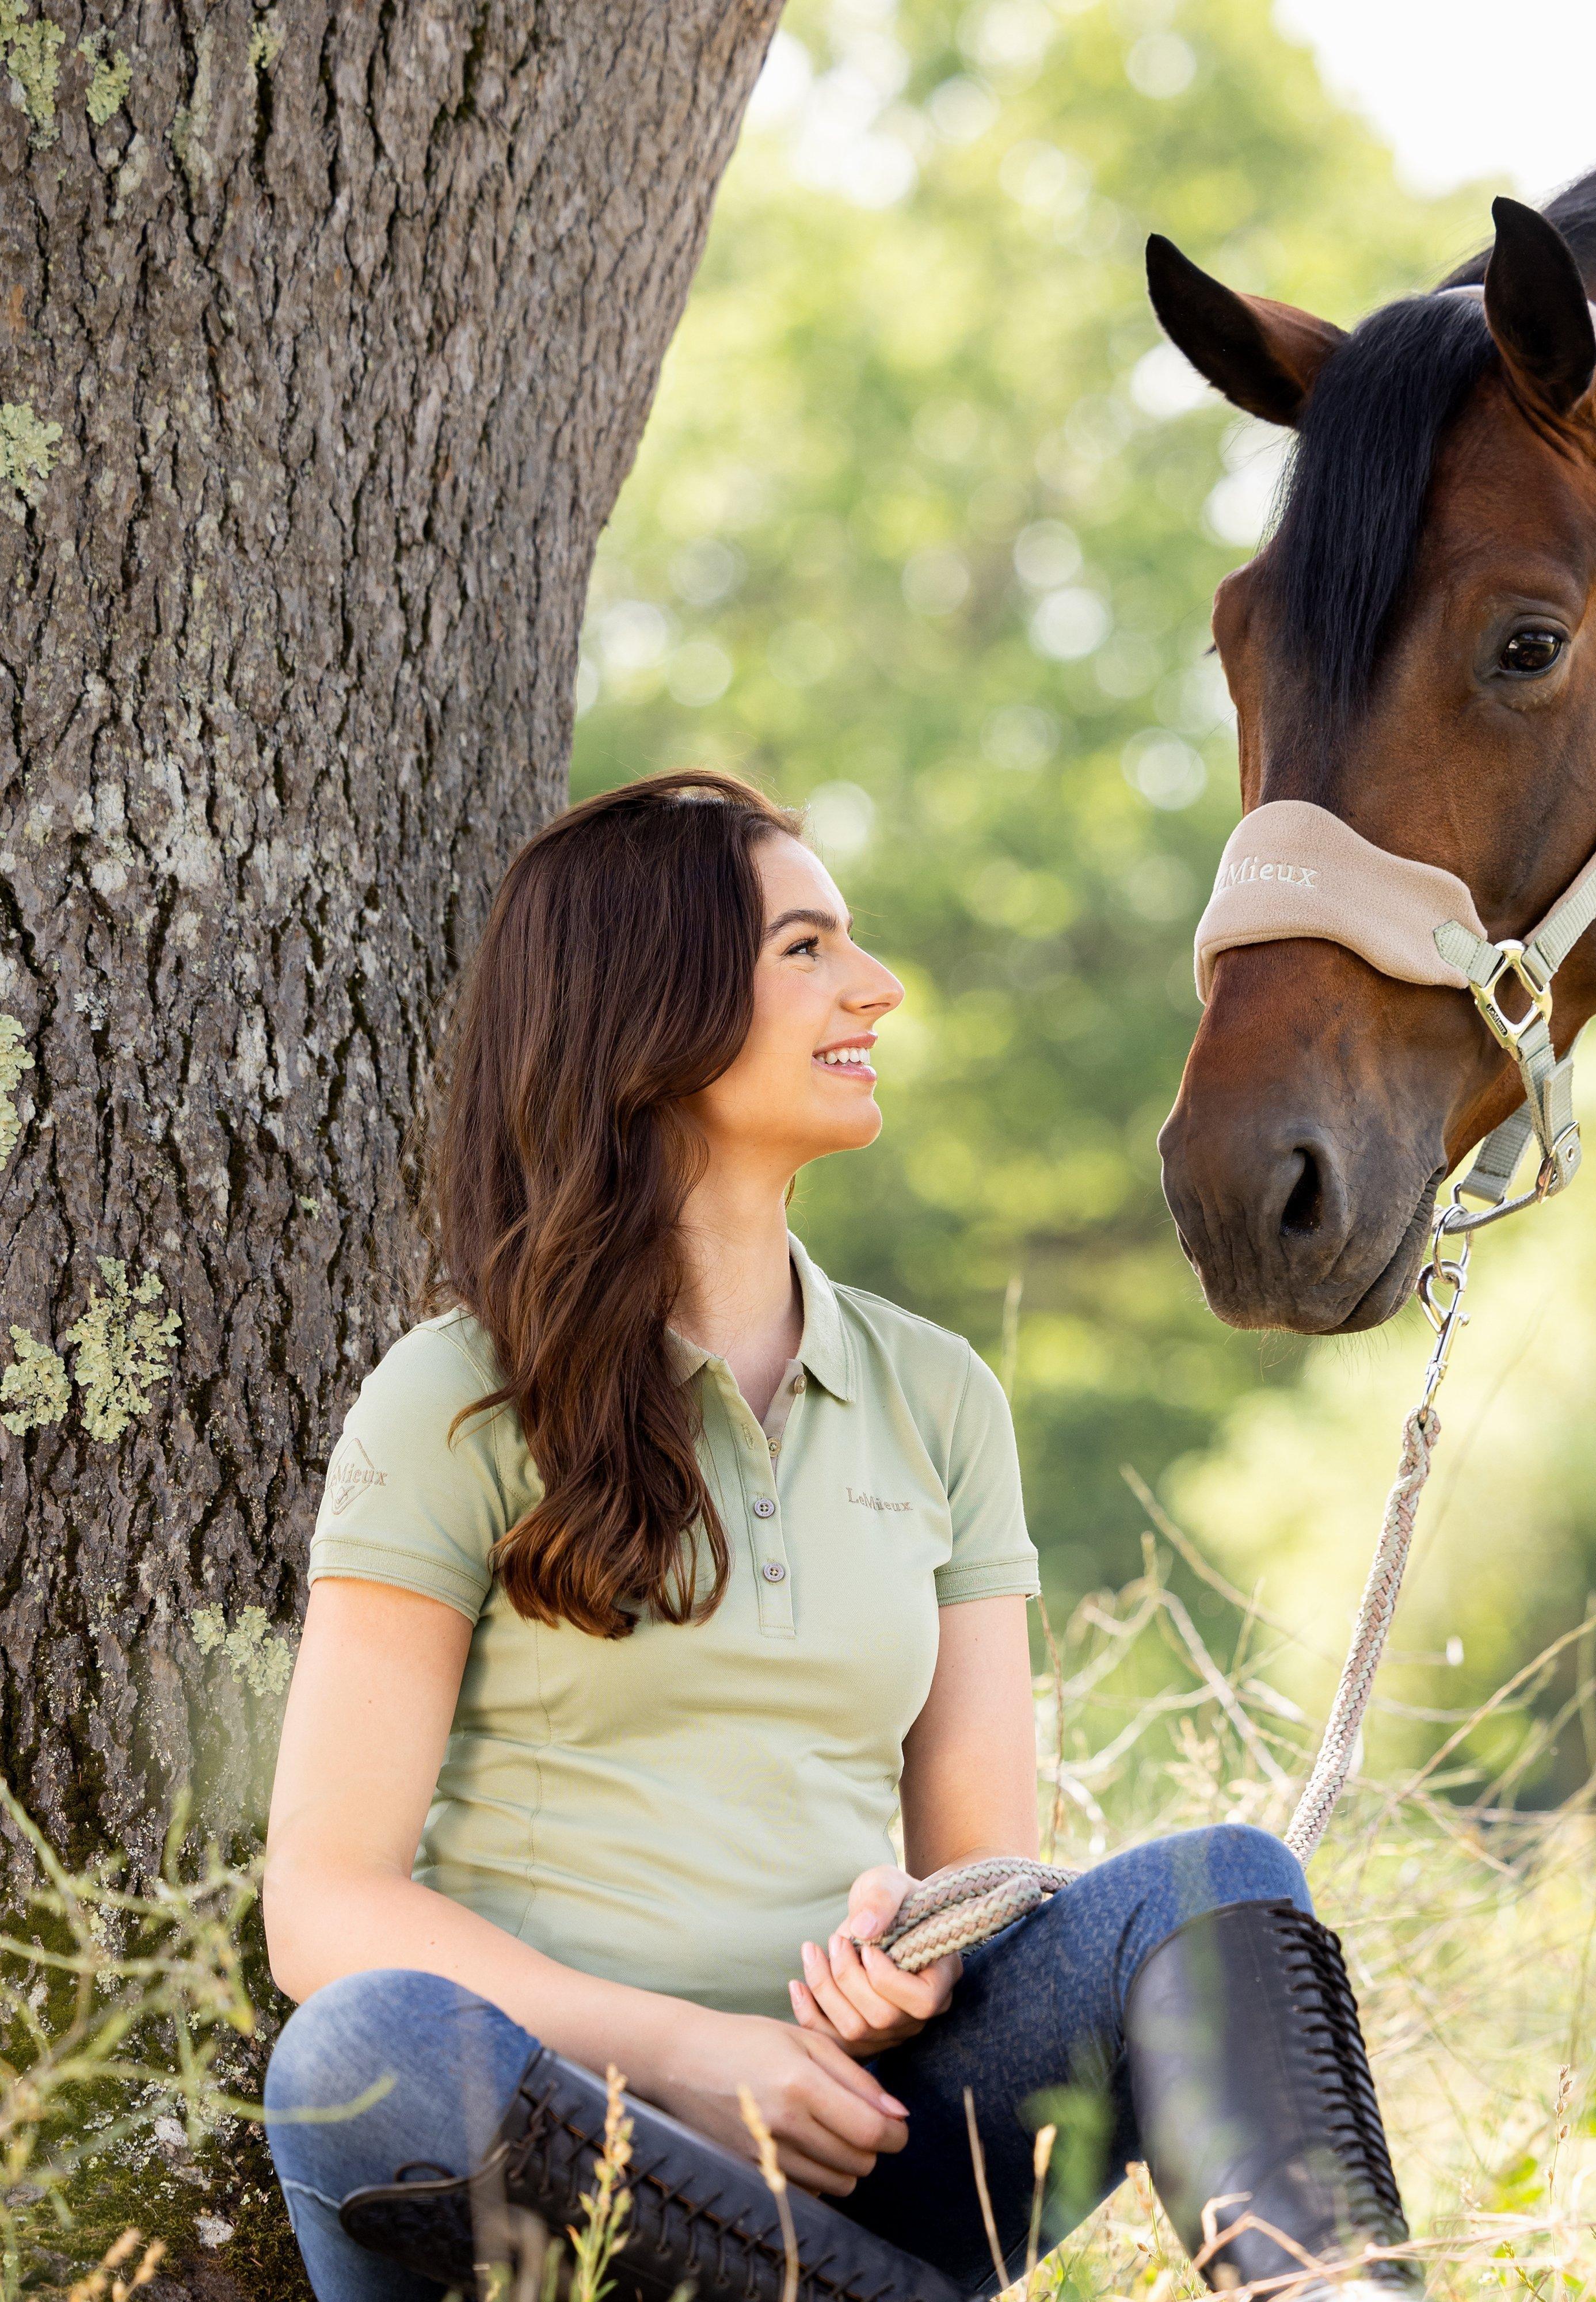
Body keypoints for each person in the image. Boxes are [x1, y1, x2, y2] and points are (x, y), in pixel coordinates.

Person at [261, 769, 1418, 2302]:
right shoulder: (461, 1401)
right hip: (550, 2161)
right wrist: (690, 2055)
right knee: (364, 2046)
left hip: (853, 2143)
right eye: (807, 949)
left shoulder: (937, 1396)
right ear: (647, 1009)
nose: (873, 988)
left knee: (1220, 1878)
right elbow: (325, 1906)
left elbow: (986, 1876)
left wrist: (909, 1960)